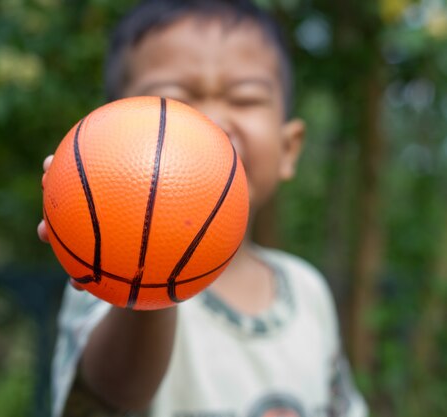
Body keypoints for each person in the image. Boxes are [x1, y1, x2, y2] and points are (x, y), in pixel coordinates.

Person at [37, 0, 368, 416]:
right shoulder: (107, 278)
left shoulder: (307, 289)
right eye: (174, 102)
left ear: (288, 148)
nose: (212, 123)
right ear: (112, 129)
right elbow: (115, 392)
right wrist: (148, 269)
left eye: (245, 99)